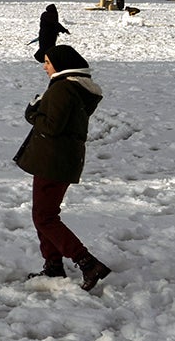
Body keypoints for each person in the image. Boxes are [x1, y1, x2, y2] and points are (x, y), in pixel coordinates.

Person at [14, 45, 112, 290]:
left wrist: (32, 112)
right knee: (44, 215)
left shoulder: (63, 88)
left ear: (61, 65)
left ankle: (87, 263)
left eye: (48, 62)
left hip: (53, 161)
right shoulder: (76, 87)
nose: (45, 67)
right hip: (61, 159)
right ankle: (53, 266)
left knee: (45, 217)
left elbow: (51, 127)